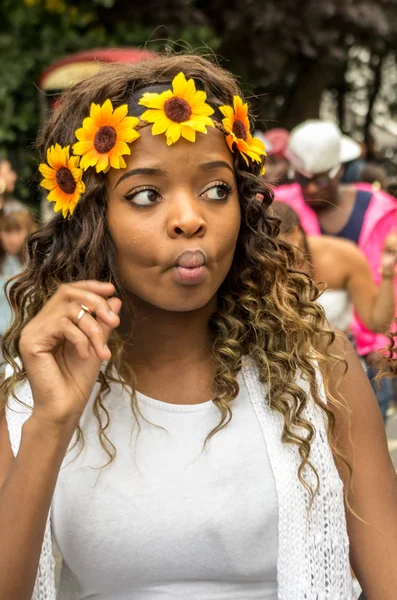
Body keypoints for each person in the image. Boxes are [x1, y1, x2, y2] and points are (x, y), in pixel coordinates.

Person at [0, 55, 396, 600]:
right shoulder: (27, 392)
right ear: (92, 221)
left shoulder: (318, 366)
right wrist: (50, 421)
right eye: (146, 194)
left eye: (216, 189)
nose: (191, 218)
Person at [275, 119, 397, 417]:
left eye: (322, 179)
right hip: (295, 369)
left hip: (365, 359)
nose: (312, 187)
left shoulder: (382, 211)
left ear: (340, 169)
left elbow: (388, 288)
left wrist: (389, 345)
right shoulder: (278, 210)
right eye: (304, 179)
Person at [0, 202, 37, 340]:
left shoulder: (35, 262)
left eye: (18, 231)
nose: (13, 239)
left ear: (28, 230)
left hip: (25, 335)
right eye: (7, 231)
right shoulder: (2, 261)